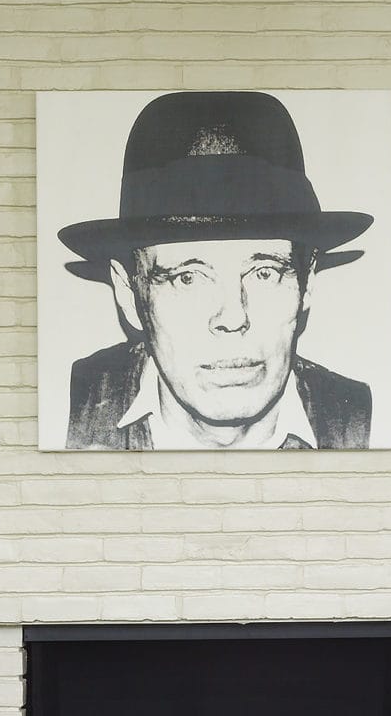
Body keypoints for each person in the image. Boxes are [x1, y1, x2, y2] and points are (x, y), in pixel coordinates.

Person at [57, 90, 373, 450]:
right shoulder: (59, 410)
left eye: (264, 272)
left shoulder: (368, 424)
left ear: (308, 281)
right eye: (187, 278)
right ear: (128, 293)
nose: (233, 316)